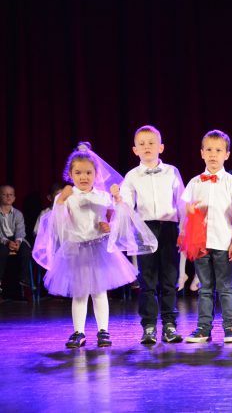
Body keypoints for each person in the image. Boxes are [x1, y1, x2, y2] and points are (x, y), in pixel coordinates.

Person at [33, 143, 157, 348]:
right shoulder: (67, 197)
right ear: (70, 174)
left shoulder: (103, 196)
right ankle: (79, 332)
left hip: (98, 249)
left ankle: (103, 331)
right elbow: (58, 226)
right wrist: (61, 201)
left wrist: (109, 223)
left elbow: (114, 220)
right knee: (80, 294)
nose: (83, 177)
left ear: (96, 174)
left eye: (88, 172)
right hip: (76, 250)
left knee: (99, 293)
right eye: (78, 173)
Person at [118, 125, 186, 345]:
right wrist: (118, 200)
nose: (147, 147)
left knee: (169, 279)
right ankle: (148, 326)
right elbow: (126, 204)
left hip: (168, 228)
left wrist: (184, 229)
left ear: (161, 147)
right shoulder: (132, 176)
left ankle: (169, 324)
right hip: (144, 229)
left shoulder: (172, 171)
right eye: (142, 144)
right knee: (147, 280)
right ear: (135, 150)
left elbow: (181, 201)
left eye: (151, 143)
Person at [180, 130, 232, 344]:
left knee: (226, 287)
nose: (213, 154)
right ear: (202, 153)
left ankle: (230, 328)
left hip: (224, 242)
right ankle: (203, 328)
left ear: (227, 154)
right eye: (209, 150)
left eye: (218, 150)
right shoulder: (195, 182)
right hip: (201, 243)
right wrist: (189, 210)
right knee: (205, 288)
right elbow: (185, 208)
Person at [0, 185, 32, 296]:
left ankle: (24, 279)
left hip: (15, 239)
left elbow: (20, 230)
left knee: (25, 249)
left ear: (14, 198)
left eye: (11, 195)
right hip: (2, 240)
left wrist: (18, 241)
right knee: (2, 251)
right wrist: (6, 242)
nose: (8, 197)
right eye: (5, 194)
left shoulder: (18, 214)